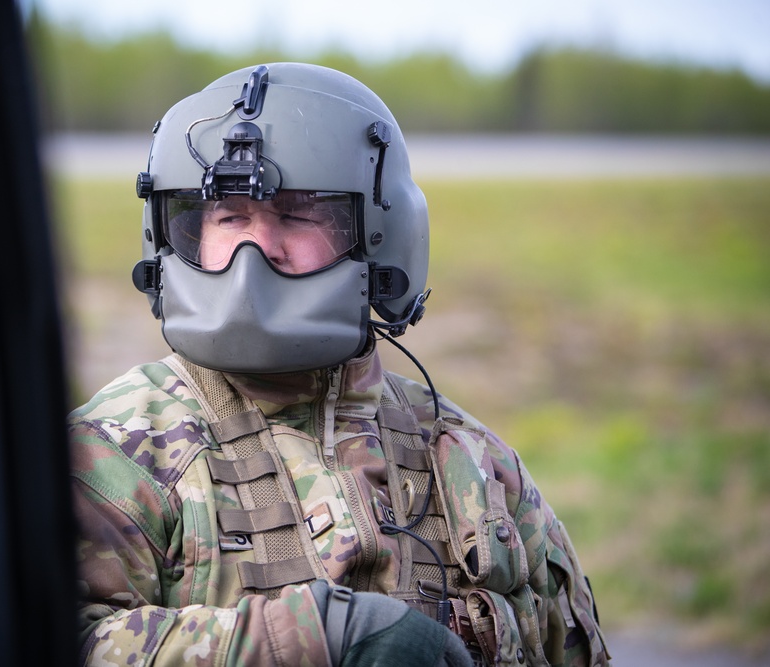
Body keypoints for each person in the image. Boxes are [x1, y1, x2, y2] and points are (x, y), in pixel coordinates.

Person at [70, 62, 610, 666]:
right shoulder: (117, 451)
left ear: (382, 235)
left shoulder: (474, 465)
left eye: (299, 216)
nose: (257, 250)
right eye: (228, 217)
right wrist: (306, 642)